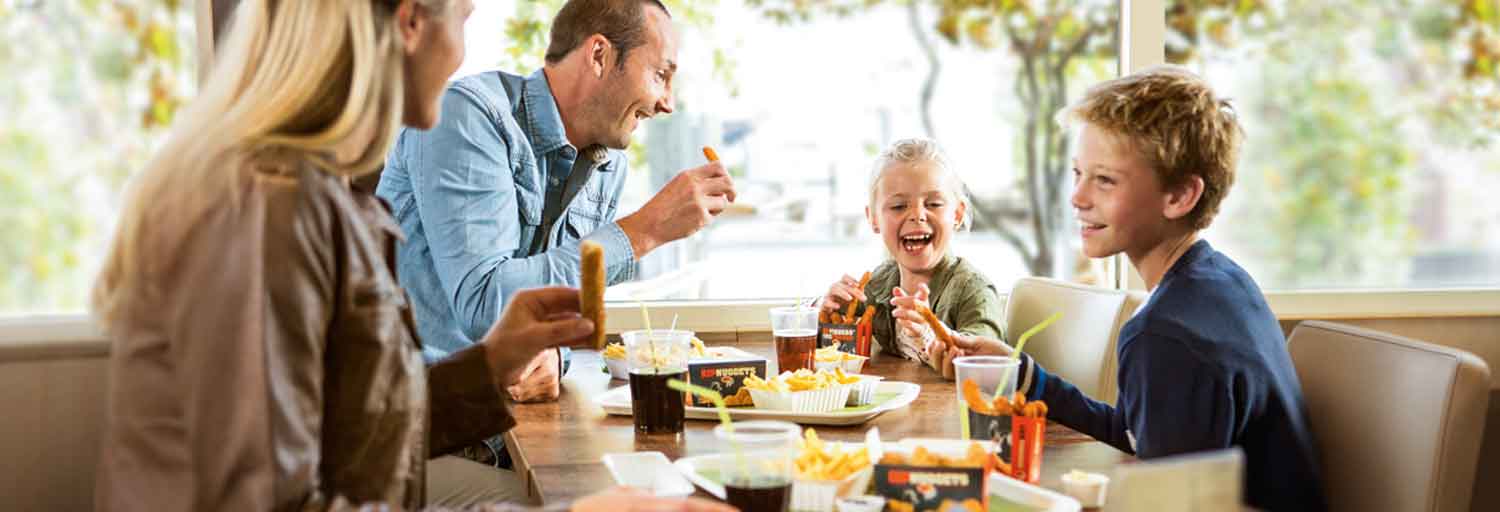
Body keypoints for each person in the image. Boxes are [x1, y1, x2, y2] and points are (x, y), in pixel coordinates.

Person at [89, 0, 733, 510]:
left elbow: (357, 433)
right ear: (410, 23)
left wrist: (491, 367)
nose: (462, 58)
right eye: (465, 19)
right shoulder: (270, 207)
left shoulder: (321, 194)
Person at [909, 66, 1327, 511]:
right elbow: (1136, 435)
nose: (1077, 197)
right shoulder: (1221, 281)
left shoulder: (1166, 335)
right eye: (1078, 174)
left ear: (1180, 196)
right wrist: (1020, 374)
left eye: (1104, 179)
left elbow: (1168, 504)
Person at [377, 0, 735, 406]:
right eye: (660, 75)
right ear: (599, 55)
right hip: (426, 431)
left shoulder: (607, 163)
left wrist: (555, 356)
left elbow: (557, 317)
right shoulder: (467, 115)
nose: (667, 103)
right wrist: (645, 230)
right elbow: (483, 305)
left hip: (504, 424)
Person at [821, 138, 1004, 376]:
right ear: (874, 219)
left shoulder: (973, 290)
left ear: (957, 214)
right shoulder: (878, 284)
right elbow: (836, 341)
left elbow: (984, 365)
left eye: (934, 203)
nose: (917, 215)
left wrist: (929, 335)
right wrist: (824, 314)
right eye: (898, 206)